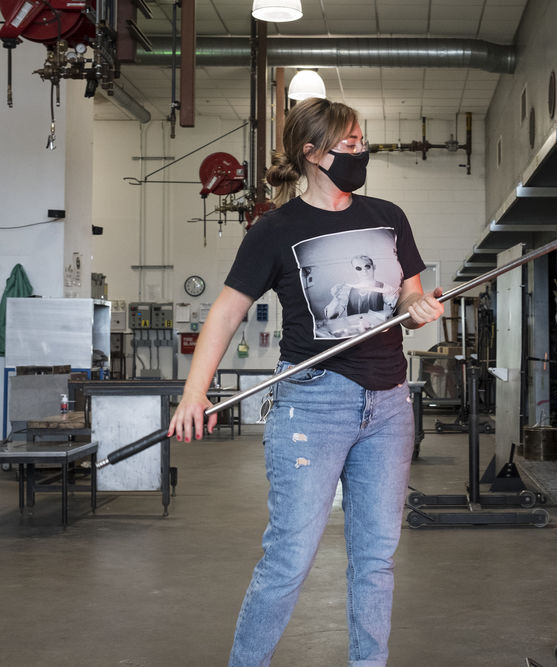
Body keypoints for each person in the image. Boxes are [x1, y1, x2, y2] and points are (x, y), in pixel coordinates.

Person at [167, 97, 444, 667]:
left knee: (376, 558)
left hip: (390, 403)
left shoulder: (388, 215)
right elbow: (224, 312)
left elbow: (411, 288)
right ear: (311, 154)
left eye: (363, 143)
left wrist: (417, 304)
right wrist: (196, 390)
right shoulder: (276, 229)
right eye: (348, 146)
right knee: (289, 556)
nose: (360, 153)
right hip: (313, 402)